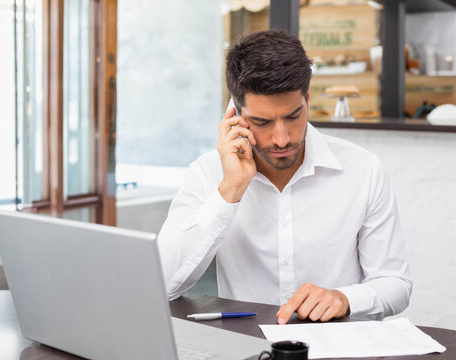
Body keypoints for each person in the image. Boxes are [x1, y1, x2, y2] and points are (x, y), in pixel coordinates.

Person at [157, 29, 412, 324]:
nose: (281, 139)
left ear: (307, 98)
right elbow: (162, 284)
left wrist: (344, 299)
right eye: (262, 121)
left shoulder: (364, 170)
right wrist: (230, 189)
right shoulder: (208, 173)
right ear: (234, 113)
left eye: (293, 116)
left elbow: (396, 284)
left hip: (339, 347)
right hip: (249, 346)